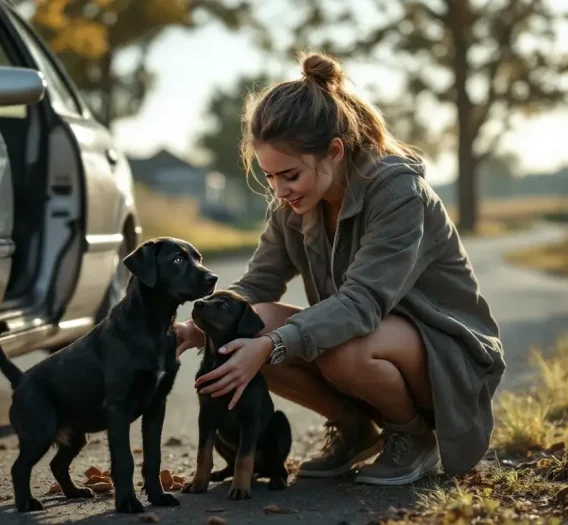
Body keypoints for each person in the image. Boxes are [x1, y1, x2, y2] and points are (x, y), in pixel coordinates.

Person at [175, 52, 506, 486]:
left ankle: (413, 436)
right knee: (251, 327)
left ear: (334, 152)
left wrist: (275, 345)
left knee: (332, 341)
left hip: (447, 358)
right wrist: (195, 329)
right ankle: (354, 430)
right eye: (270, 178)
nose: (280, 190)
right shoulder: (292, 206)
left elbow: (361, 304)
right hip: (368, 342)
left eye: (289, 175)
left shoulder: (399, 193)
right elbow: (257, 284)